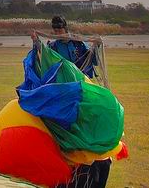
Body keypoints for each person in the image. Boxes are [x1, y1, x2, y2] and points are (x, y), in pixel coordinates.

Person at [46, 16, 111, 188]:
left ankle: (84, 158)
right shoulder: (52, 46)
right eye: (55, 31)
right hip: (61, 93)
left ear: (65, 28)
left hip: (80, 90)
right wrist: (36, 44)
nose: (58, 33)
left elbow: (91, 58)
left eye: (60, 30)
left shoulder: (77, 44)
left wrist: (96, 46)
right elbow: (44, 62)